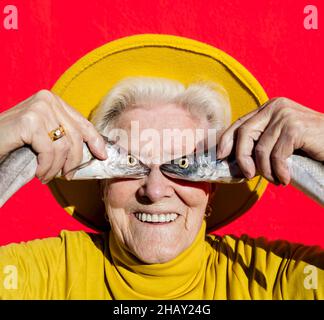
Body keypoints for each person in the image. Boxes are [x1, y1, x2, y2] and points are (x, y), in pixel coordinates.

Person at [0, 34, 323, 299]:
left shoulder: (281, 279)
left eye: (181, 165)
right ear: (101, 184)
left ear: (211, 189)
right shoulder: (38, 276)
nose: (154, 190)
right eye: (131, 165)